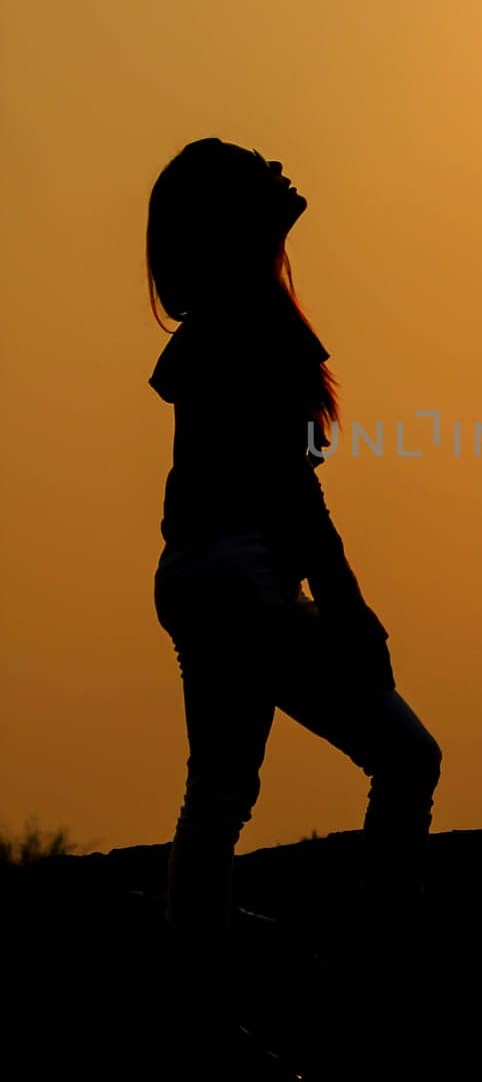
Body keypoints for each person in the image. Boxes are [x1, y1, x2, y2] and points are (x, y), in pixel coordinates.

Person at [147, 139, 442, 973]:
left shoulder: (218, 319)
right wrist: (348, 608)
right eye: (259, 173)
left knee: (220, 790)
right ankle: (383, 957)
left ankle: (194, 981)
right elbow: (291, 490)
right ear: (236, 218)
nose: (280, 172)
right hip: (244, 575)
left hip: (194, 574)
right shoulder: (248, 319)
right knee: (407, 758)